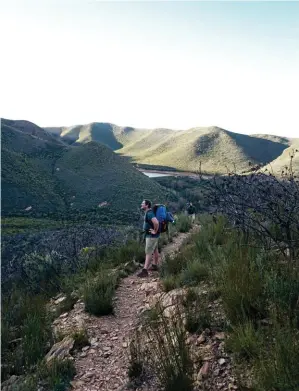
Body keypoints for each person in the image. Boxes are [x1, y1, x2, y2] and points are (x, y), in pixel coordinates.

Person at [137, 199, 160, 278]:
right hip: (154, 237)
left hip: (151, 236)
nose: (141, 204)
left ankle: (145, 271)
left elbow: (156, 222)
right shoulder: (149, 212)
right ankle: (154, 265)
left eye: (143, 203)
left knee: (148, 252)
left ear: (147, 205)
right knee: (155, 250)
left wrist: (155, 231)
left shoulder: (149, 213)